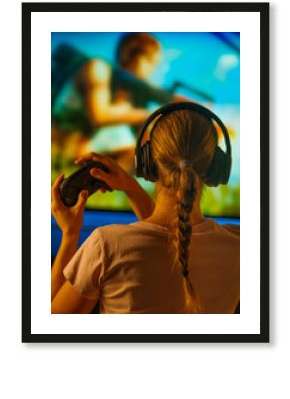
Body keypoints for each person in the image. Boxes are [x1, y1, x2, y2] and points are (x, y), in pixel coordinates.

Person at [51, 105, 240, 314]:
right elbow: (173, 237)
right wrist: (132, 189)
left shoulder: (106, 247)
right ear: (217, 167)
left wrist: (69, 235)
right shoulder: (238, 246)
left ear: (146, 161)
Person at [51, 33, 162, 171]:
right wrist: (151, 115)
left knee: (148, 152)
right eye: (152, 62)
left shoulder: (123, 94)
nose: (153, 70)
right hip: (55, 145)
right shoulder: (98, 68)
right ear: (138, 58)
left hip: (72, 152)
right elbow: (99, 116)